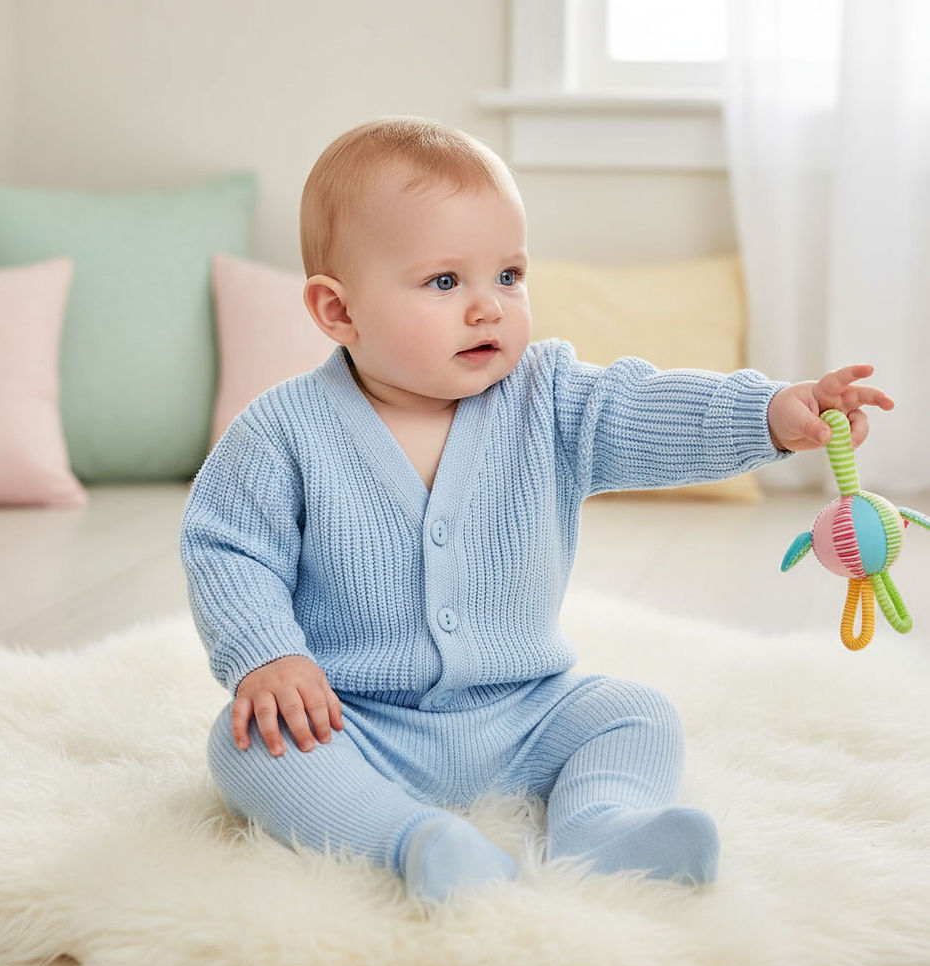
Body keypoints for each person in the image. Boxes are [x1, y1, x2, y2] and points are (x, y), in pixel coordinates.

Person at [180, 117, 894, 902]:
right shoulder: (281, 433)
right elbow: (227, 548)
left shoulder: (548, 397)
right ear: (338, 312)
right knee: (248, 749)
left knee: (637, 713)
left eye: (510, 276)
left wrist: (763, 415)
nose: (489, 307)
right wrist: (268, 655)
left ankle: (604, 827)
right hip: (357, 721)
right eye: (446, 282)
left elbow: (647, 410)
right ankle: (412, 842)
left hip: (525, 711)